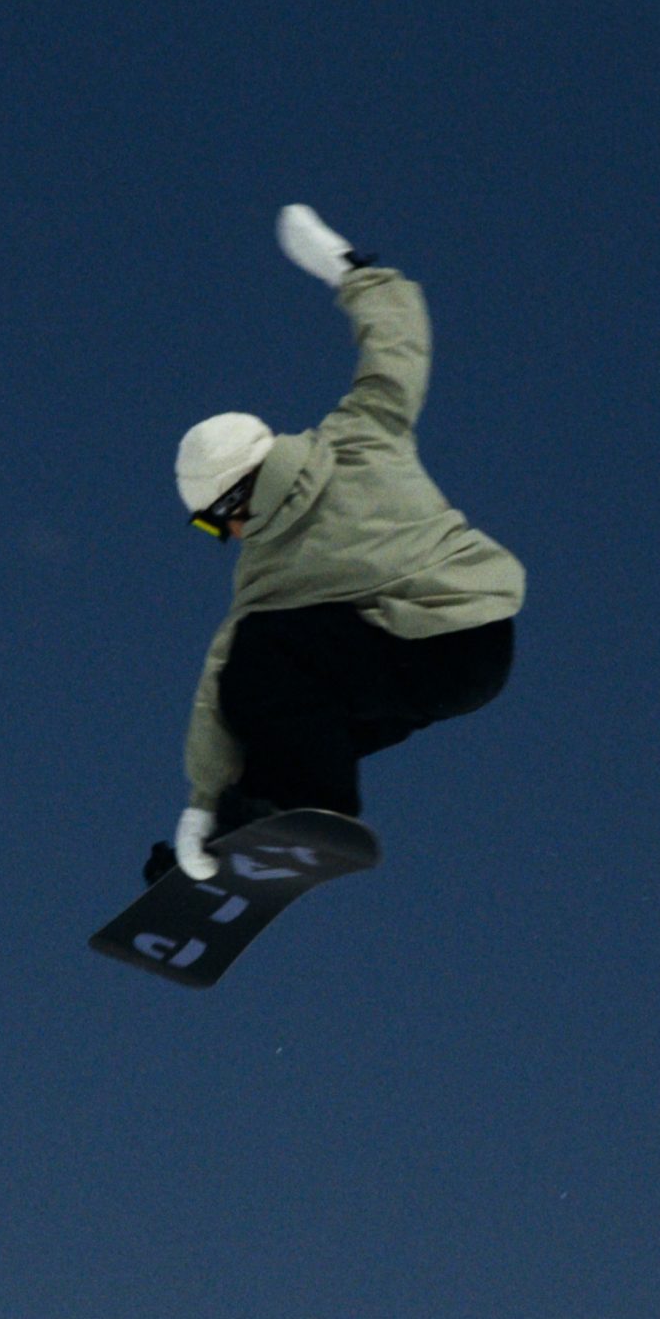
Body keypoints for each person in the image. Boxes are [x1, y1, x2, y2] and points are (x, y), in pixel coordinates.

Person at [150, 206, 526, 884]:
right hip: (481, 647)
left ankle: (300, 808)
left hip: (421, 647)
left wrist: (200, 800)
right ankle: (254, 820)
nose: (224, 538)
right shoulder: (361, 433)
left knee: (260, 669)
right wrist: (349, 268)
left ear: (231, 499)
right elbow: (398, 342)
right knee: (286, 722)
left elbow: (220, 679)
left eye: (212, 524)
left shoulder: (268, 563)